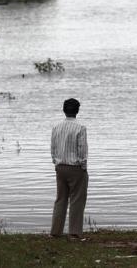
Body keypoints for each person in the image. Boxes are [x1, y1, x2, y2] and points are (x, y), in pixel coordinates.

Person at [50, 98, 88, 238]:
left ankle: (55, 232)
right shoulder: (80, 127)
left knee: (61, 199)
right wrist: (83, 166)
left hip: (60, 167)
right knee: (77, 200)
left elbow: (53, 148)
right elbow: (82, 150)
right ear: (77, 111)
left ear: (64, 110)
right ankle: (74, 233)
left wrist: (56, 162)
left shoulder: (57, 127)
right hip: (75, 167)